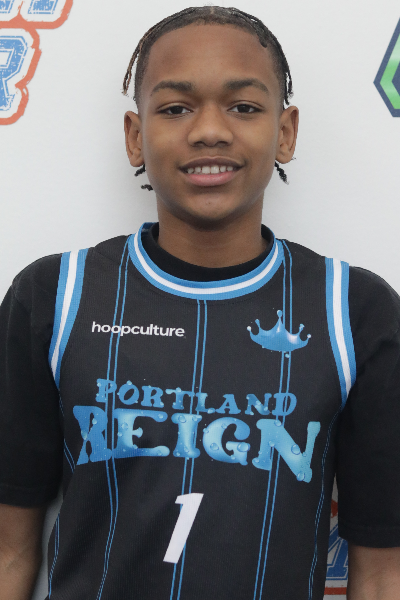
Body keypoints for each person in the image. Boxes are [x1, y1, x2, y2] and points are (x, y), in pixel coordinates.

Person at [1, 6, 400, 600]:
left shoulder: (353, 311)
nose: (209, 130)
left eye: (244, 107)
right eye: (175, 108)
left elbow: (384, 572)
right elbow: (8, 549)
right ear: (135, 136)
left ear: (285, 132)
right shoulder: (55, 297)